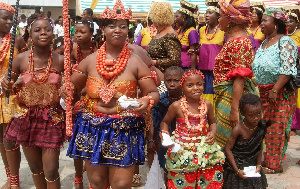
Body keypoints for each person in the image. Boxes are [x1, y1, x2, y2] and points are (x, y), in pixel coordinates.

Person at [64, 1, 159, 189]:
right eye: (112, 26)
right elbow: (70, 88)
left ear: (128, 31)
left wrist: (145, 100)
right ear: (103, 29)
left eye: (123, 27)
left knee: (121, 184)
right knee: (97, 182)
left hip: (124, 129)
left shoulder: (135, 62)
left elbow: (153, 92)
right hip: (92, 128)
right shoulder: (90, 61)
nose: (117, 30)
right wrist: (66, 90)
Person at [2, 18, 65, 189]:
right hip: (26, 119)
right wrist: (6, 84)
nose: (43, 33)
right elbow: (9, 85)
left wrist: (68, 89)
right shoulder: (20, 59)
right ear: (30, 35)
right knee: (36, 168)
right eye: (37, 30)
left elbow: (71, 88)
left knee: (51, 170)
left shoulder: (61, 60)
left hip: (52, 119)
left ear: (53, 34)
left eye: (47, 29)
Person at [160, 69, 225, 189]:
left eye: (199, 84)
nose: (195, 88)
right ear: (182, 87)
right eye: (190, 85)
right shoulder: (177, 106)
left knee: (208, 181)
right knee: (183, 182)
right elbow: (164, 122)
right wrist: (165, 136)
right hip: (183, 150)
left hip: (204, 148)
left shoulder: (207, 104)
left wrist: (213, 132)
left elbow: (213, 122)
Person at [252, 7, 298, 174]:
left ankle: (274, 164)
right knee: (264, 127)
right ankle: (269, 158)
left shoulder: (285, 42)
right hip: (263, 92)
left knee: (276, 127)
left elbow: (287, 69)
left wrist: (275, 90)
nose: (261, 23)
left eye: (265, 20)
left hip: (279, 93)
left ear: (276, 25)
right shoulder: (264, 42)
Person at [214, 0, 259, 148]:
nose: (218, 20)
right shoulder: (233, 39)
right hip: (227, 95)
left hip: (232, 97)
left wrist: (235, 110)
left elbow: (239, 78)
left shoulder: (239, 41)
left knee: (230, 141)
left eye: (220, 16)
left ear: (231, 19)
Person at [0, 3, 27, 189]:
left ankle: (15, 180)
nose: (9, 22)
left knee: (11, 139)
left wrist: (14, 82)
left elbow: (27, 67)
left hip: (11, 97)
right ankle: (9, 175)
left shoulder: (17, 40)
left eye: (11, 18)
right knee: (0, 141)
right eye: (5, 18)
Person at [223, 94, 269, 189]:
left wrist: (259, 164)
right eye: (251, 115)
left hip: (253, 165)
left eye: (258, 114)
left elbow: (259, 147)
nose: (256, 118)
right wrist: (236, 170)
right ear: (242, 113)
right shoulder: (238, 129)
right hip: (238, 164)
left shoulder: (260, 126)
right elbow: (228, 149)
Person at [149, 66, 183, 185]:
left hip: (184, 138)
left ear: (182, 80)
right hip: (164, 139)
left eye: (176, 81)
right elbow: (154, 121)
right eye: (169, 81)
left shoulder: (187, 99)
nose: (172, 84)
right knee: (166, 167)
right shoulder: (160, 100)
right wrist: (151, 139)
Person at [197, 3, 225, 106]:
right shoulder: (201, 30)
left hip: (217, 72)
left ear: (218, 16)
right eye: (206, 13)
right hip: (203, 71)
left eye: (210, 13)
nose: (206, 15)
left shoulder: (223, 31)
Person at [147, 1, 181, 73]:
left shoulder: (170, 35)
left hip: (164, 77)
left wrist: (154, 62)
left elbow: (174, 60)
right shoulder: (160, 32)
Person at [285, 9, 300, 137]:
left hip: (297, 70)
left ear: (297, 23)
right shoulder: (282, 36)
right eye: (287, 20)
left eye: (292, 21)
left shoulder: (299, 35)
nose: (289, 23)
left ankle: (295, 126)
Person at [174, 0, 199, 70]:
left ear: (184, 17)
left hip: (186, 67)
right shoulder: (178, 31)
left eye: (176, 16)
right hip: (177, 66)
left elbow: (193, 53)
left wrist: (193, 71)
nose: (174, 19)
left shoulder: (192, 31)